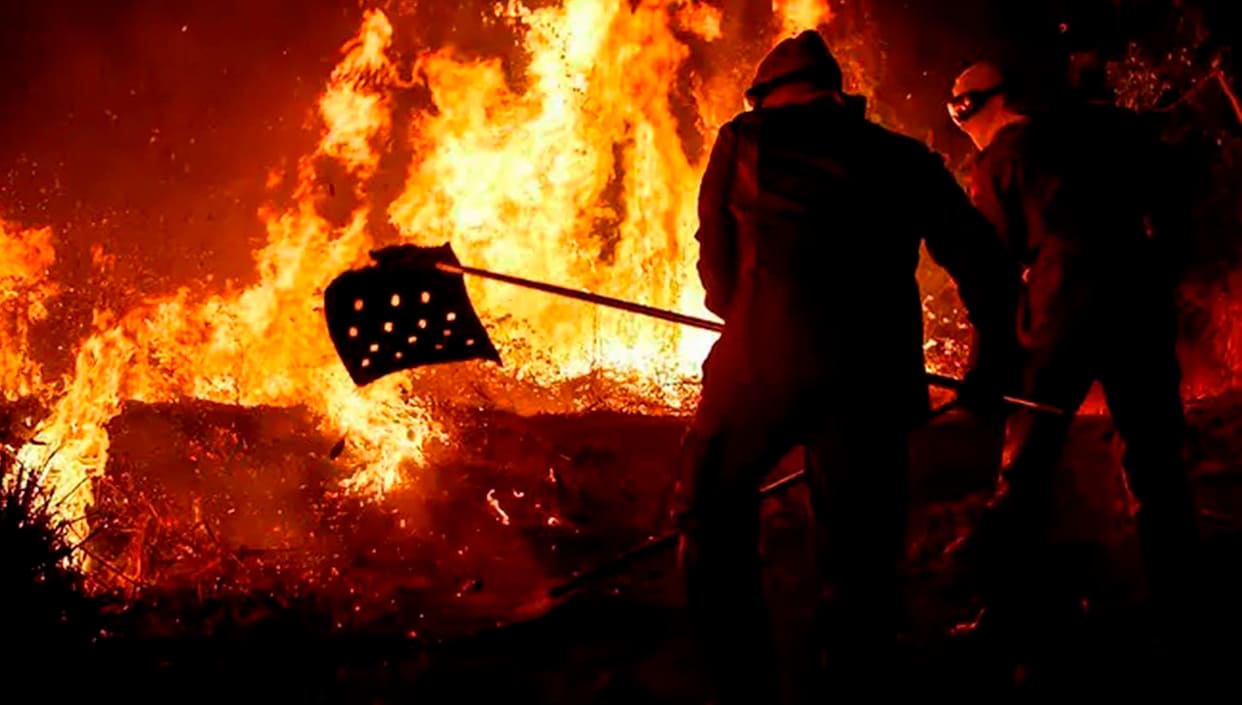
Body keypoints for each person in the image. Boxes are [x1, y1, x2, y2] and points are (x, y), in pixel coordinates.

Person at [674, 31, 1022, 703]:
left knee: (710, 508)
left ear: (770, 96)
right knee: (860, 562)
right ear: (838, 96)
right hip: (871, 378)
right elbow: (984, 264)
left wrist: (746, 312)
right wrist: (990, 367)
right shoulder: (903, 159)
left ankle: (743, 682)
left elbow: (715, 273)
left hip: (760, 365)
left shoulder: (742, 140)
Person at [945, 59, 1202, 674]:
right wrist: (1160, 266)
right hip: (1136, 306)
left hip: (1061, 320)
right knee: (1156, 460)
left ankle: (1007, 614)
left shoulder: (1002, 159)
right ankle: (1183, 610)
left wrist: (987, 368)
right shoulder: (1107, 128)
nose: (960, 124)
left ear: (980, 105)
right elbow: (1172, 192)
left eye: (959, 109)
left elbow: (993, 272)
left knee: (1025, 470)